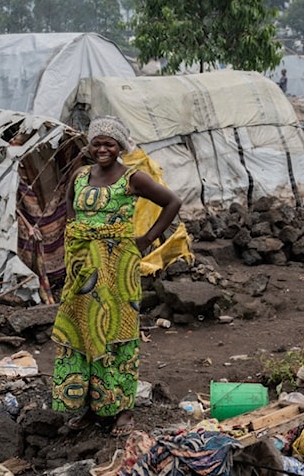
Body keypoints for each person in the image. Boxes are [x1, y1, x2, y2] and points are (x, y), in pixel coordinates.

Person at [52, 115, 182, 435]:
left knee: (116, 333)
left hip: (117, 268)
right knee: (83, 331)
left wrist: (146, 239)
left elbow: (172, 202)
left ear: (120, 146)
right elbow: (69, 203)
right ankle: (90, 407)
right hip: (82, 268)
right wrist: (76, 230)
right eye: (97, 142)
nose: (102, 149)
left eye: (109, 143)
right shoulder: (81, 175)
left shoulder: (132, 178)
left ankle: (123, 410)